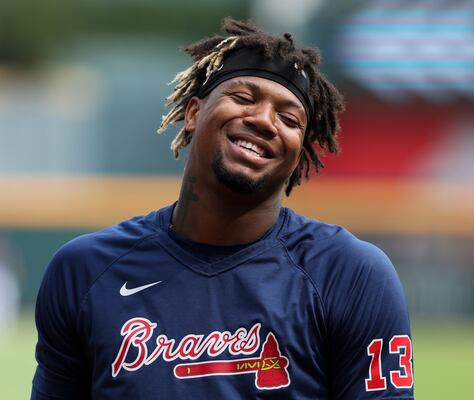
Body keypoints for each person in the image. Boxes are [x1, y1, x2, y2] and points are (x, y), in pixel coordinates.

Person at [31, 18, 414, 399]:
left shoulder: (350, 274)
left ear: (299, 155)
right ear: (195, 113)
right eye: (244, 98)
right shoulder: (86, 270)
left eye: (289, 118)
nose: (264, 121)